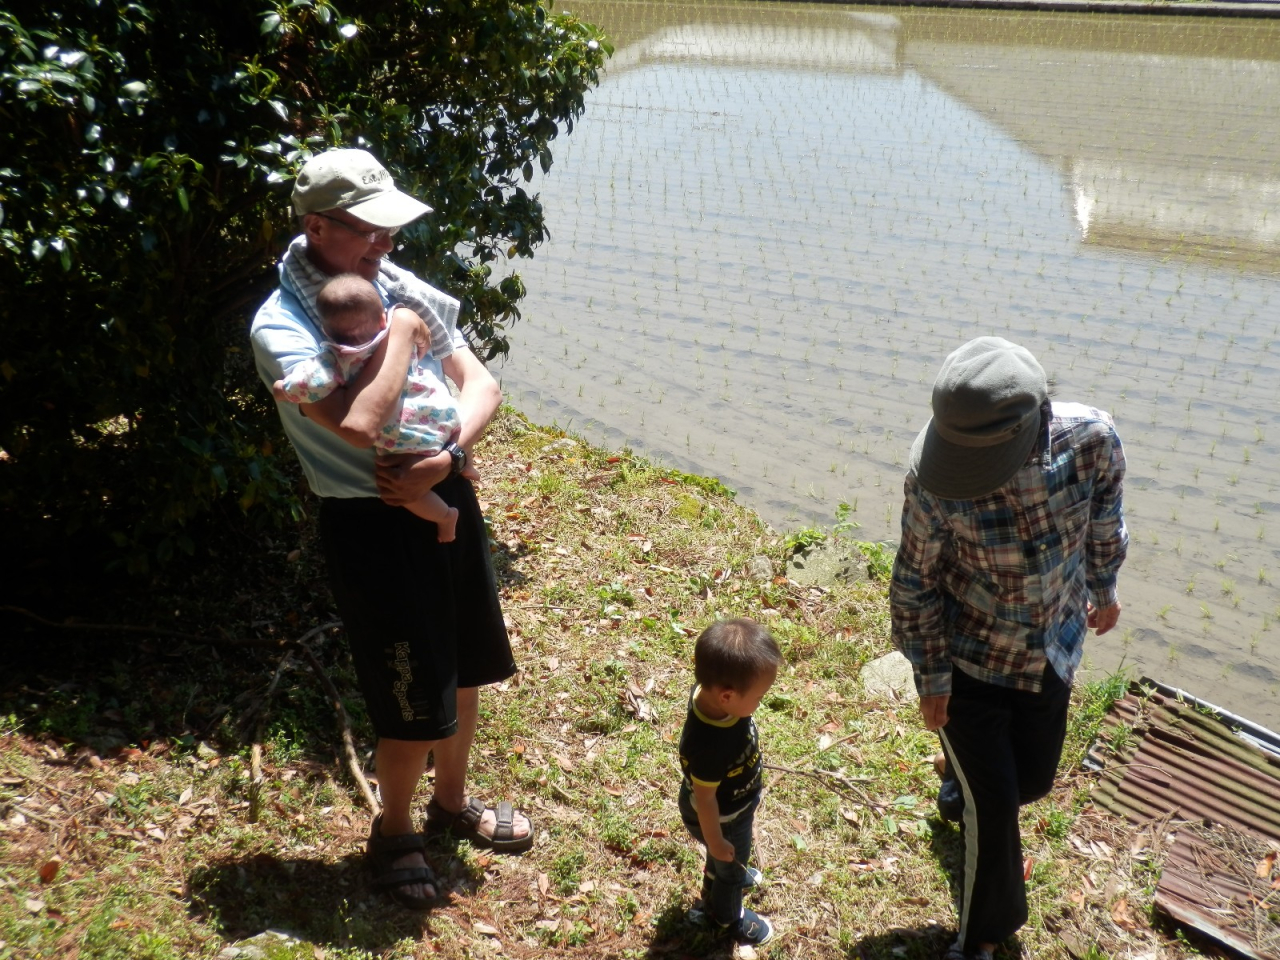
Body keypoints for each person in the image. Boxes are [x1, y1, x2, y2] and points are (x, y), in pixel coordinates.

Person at [250, 148, 533, 911]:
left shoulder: (395, 289)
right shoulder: (285, 325)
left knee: (467, 668)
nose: (386, 246)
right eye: (370, 231)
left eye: (390, 231)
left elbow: (482, 382)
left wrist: (446, 456)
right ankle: (395, 830)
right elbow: (350, 425)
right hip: (370, 522)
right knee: (409, 692)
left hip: (443, 486)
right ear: (318, 225)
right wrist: (403, 339)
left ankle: (451, 803)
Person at [889, 337, 1128, 960]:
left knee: (1031, 781)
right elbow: (915, 583)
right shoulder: (933, 485)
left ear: (1035, 424)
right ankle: (982, 937)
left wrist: (1104, 585)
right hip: (969, 660)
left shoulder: (1092, 439)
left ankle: (958, 788)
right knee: (995, 815)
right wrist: (933, 677)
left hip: (1052, 648)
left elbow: (1106, 513)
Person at [273, 272, 477, 542]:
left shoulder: (334, 360)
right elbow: (421, 346)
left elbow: (307, 384)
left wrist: (282, 389)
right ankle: (467, 463)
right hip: (442, 411)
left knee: (400, 491)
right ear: (382, 317)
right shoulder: (395, 334)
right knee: (456, 422)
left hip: (410, 438)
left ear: (325, 330)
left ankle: (445, 518)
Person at [677, 618, 783, 947]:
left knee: (724, 860)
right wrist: (718, 841)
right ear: (726, 696)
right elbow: (707, 801)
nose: (760, 703)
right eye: (759, 696)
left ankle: (720, 869)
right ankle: (726, 916)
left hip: (731, 808)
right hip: (724, 817)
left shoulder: (711, 697)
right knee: (732, 867)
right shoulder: (711, 746)